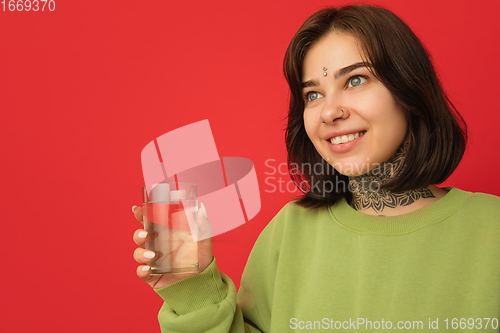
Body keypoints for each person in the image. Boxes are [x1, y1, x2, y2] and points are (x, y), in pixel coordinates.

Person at [132, 4, 500, 332]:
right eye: (313, 94)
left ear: (409, 88)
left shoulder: (491, 229)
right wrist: (193, 286)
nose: (329, 111)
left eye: (355, 80)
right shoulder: (290, 231)